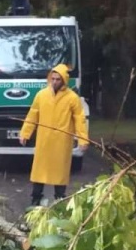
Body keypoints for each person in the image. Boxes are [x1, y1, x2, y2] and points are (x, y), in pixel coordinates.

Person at [19, 64, 89, 206]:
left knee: (60, 173)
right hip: (44, 140)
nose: (55, 81)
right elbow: (33, 115)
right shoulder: (41, 95)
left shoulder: (72, 98)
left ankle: (59, 200)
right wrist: (25, 133)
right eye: (53, 78)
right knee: (39, 172)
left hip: (61, 142)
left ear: (64, 80)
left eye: (58, 79)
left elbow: (79, 119)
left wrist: (82, 140)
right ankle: (35, 200)